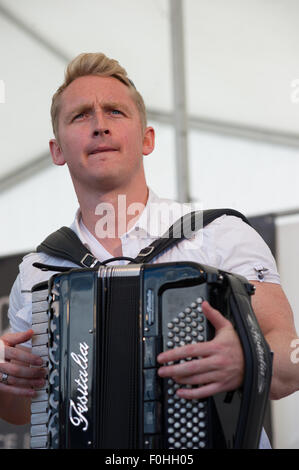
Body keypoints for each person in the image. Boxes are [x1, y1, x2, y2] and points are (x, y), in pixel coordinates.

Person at [0, 53, 298, 440]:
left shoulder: (220, 233)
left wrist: (249, 359)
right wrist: (6, 375)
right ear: (57, 150)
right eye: (80, 116)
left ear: (147, 139)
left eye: (115, 112)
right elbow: (24, 410)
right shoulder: (37, 271)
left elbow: (292, 356)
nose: (99, 126)